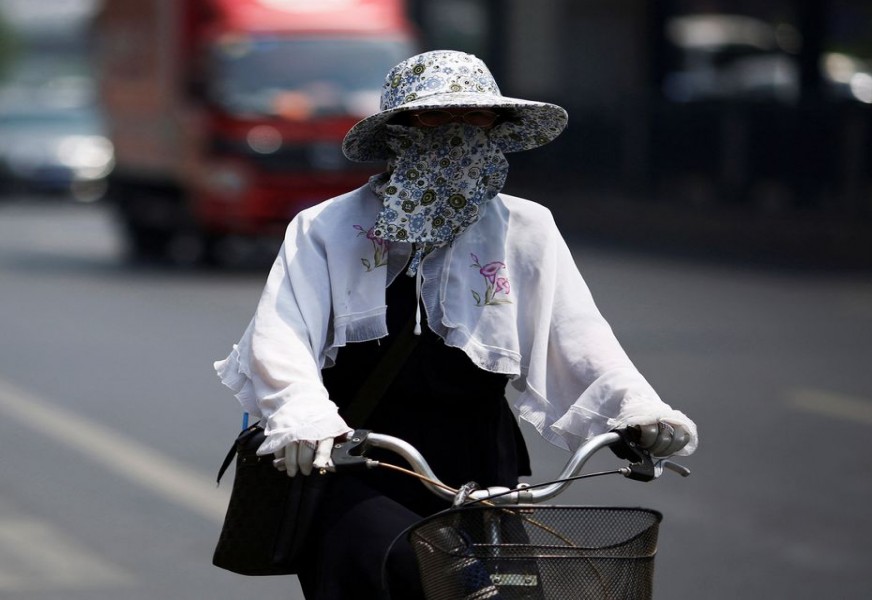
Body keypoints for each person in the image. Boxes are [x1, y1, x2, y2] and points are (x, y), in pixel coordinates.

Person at [214, 50, 698, 599]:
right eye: (434, 117)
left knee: (507, 594)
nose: (457, 133)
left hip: (483, 467)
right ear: (398, 130)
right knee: (392, 570)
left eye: (475, 118)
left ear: (497, 128)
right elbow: (282, 339)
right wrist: (304, 419)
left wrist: (636, 412)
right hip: (357, 460)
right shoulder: (326, 227)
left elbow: (578, 337)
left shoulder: (526, 227)